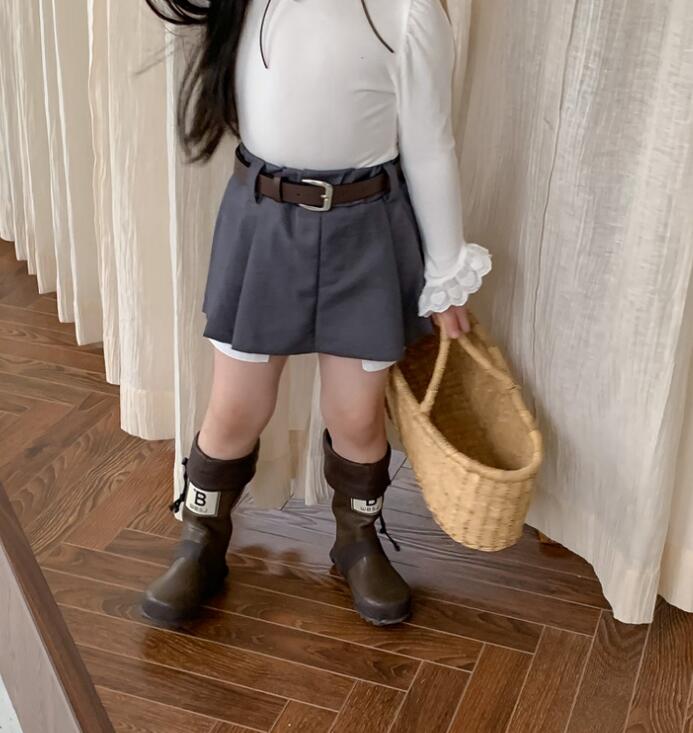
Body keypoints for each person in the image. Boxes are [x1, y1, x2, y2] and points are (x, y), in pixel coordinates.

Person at [140, 0, 491, 627]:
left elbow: (431, 148)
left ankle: (357, 540)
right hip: (263, 227)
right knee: (235, 409)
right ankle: (201, 539)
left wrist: (446, 276)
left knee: (357, 416)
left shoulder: (409, 14)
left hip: (367, 233)